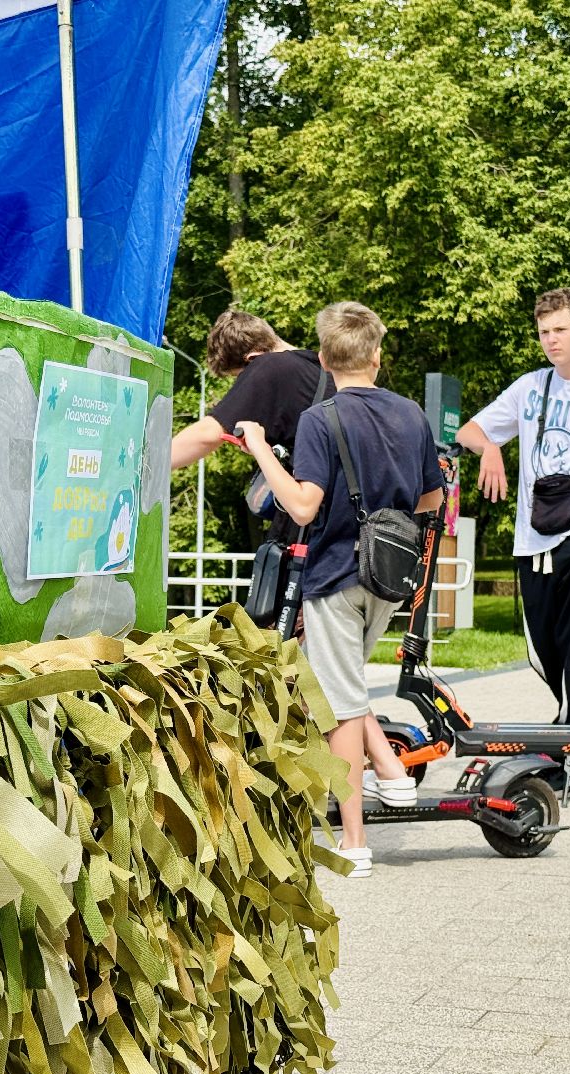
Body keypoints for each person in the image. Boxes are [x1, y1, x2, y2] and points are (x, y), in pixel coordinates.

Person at [236, 302, 443, 879]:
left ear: (325, 361)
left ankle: (355, 842)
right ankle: (391, 773)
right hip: (389, 578)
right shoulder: (412, 415)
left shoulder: (319, 419)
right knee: (340, 682)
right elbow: (431, 499)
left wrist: (259, 448)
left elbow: (303, 506)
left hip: (335, 578)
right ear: (376, 356)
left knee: (341, 709)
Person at [456, 287, 570, 788]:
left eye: (560, 329)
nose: (551, 340)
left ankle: (567, 764)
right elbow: (469, 431)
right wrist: (491, 448)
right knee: (545, 656)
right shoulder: (531, 387)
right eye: (544, 332)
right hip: (532, 540)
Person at [169, 310, 334, 471]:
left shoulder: (268, 365)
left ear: (253, 359)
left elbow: (208, 434)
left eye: (241, 377)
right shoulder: (321, 368)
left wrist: (156, 460)